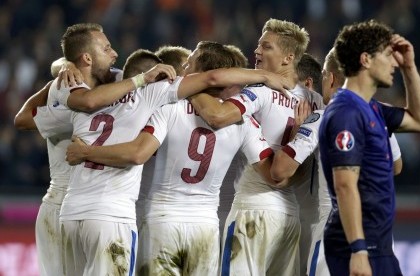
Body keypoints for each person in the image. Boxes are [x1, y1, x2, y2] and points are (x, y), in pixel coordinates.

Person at [64, 41, 284, 276]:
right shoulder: (243, 121)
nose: (182, 68)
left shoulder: (168, 107)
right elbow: (273, 174)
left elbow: (138, 152)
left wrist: (87, 152)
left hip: (161, 220)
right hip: (205, 226)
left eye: (189, 63)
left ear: (201, 73)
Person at [189, 18, 324, 275]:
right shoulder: (315, 102)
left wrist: (188, 86)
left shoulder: (260, 91)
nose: (257, 51)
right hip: (289, 217)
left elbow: (217, 116)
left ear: (288, 58)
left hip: (252, 211)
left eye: (266, 46)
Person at [271, 47, 403, 276]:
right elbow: (397, 166)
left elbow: (280, 170)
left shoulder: (322, 118)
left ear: (330, 78)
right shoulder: (378, 116)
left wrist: (296, 133)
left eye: (323, 74)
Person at [318, 20, 420, 275]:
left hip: (377, 244)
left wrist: (410, 68)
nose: (394, 62)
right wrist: (358, 249)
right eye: (387, 55)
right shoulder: (345, 113)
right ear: (366, 59)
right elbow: (345, 184)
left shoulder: (372, 108)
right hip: (357, 246)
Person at [14, 22, 125, 276]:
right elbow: (21, 120)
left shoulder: (107, 83)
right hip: (64, 204)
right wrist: (59, 74)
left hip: (99, 205)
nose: (114, 53)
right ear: (87, 57)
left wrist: (60, 69)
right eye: (106, 48)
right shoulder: (70, 104)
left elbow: (23, 118)